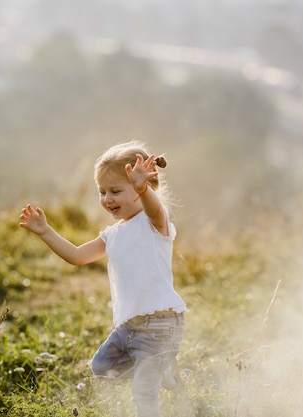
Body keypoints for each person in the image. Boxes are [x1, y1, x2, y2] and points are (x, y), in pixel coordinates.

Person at [19, 140, 187, 417]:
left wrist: (143, 188)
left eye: (116, 191)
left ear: (143, 187)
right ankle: (163, 368)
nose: (107, 199)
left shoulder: (155, 223)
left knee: (143, 395)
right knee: (101, 367)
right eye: (102, 192)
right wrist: (45, 231)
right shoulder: (111, 235)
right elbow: (76, 255)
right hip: (128, 326)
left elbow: (153, 207)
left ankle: (158, 368)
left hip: (161, 324)